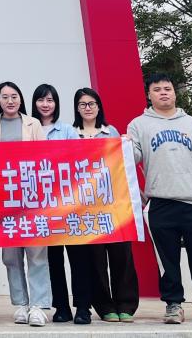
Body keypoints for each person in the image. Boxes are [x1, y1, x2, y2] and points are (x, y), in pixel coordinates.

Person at [126, 73, 192, 325]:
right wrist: (125, 146)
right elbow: (132, 159)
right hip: (161, 201)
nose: (163, 93)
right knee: (167, 261)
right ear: (149, 94)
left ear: (175, 92)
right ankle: (173, 305)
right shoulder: (138, 125)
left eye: (167, 88)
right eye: (157, 89)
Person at [70, 87, 138, 324]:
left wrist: (126, 145)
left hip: (114, 203)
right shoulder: (72, 134)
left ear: (99, 107)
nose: (87, 108)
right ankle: (105, 306)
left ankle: (126, 304)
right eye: (82, 104)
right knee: (95, 259)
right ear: (77, 109)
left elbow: (123, 165)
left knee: (121, 255)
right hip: (86, 206)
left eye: (92, 103)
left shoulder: (112, 132)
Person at [0, 80, 50, 327]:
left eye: (14, 96)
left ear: (21, 99)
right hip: (3, 199)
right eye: (4, 97)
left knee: (36, 253)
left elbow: (45, 158)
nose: (10, 101)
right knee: (11, 255)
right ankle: (21, 304)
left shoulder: (33, 124)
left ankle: (39, 305)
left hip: (31, 196)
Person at [31, 84, 77, 324]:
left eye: (50, 100)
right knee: (53, 258)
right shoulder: (30, 128)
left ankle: (82, 307)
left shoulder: (67, 130)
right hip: (41, 203)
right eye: (41, 100)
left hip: (67, 201)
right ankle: (61, 306)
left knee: (77, 256)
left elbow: (77, 159)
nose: (45, 104)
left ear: (56, 103)